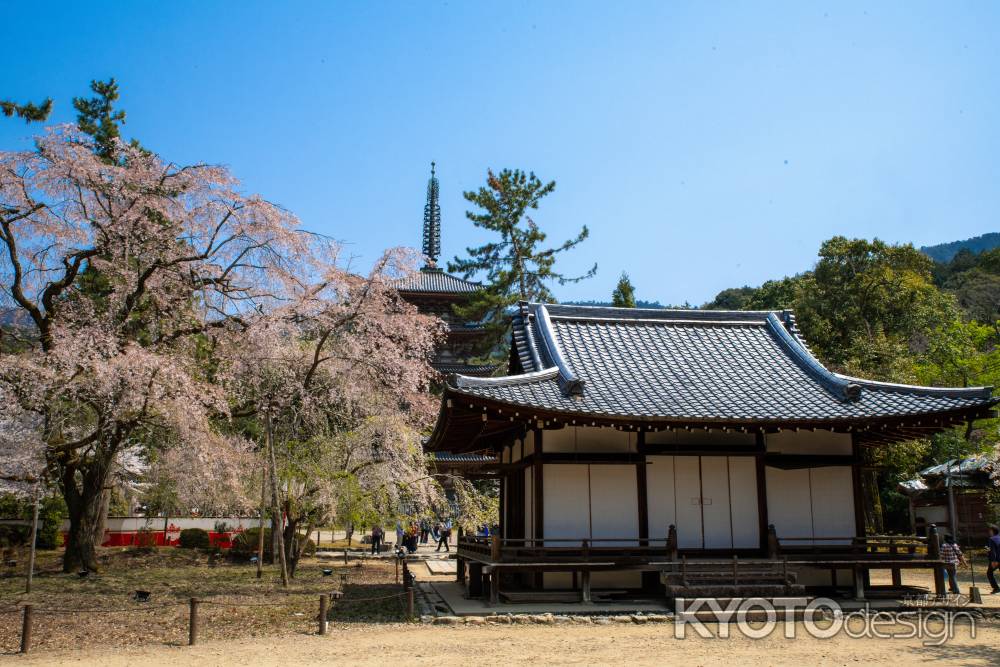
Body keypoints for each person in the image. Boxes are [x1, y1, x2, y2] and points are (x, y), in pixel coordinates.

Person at [987, 524, 1000, 594]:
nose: (989, 532)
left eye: (990, 531)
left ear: (993, 531)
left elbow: (992, 551)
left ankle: (996, 588)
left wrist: (993, 561)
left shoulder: (991, 539)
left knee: (989, 573)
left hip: (996, 560)